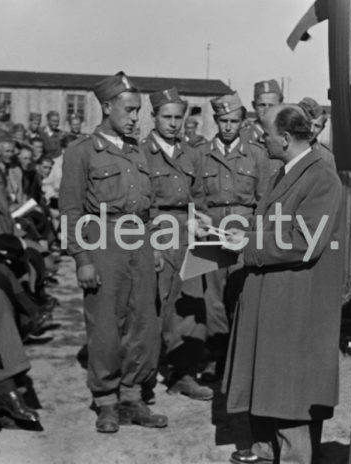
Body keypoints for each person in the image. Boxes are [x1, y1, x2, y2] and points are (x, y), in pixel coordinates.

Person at [216, 104, 343, 464]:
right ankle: (265, 451)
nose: (260, 137)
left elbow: (305, 241)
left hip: (296, 305)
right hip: (276, 299)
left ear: (285, 138)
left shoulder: (321, 177)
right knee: (272, 386)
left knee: (290, 395)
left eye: (265, 132)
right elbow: (276, 227)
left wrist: (248, 246)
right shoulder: (288, 171)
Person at [60, 71, 167, 433]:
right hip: (102, 239)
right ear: (106, 108)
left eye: (138, 111)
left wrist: (156, 246)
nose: (136, 117)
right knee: (105, 327)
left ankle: (133, 395)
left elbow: (149, 208)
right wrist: (82, 258)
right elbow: (71, 210)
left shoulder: (138, 150)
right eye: (129, 110)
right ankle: (106, 400)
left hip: (140, 240)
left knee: (144, 325)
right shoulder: (81, 151)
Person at [193, 92, 270, 382]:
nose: (228, 127)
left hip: (242, 232)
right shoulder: (200, 154)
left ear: (243, 121)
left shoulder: (257, 154)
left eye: (234, 121)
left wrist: (253, 234)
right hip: (211, 231)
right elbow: (195, 197)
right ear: (215, 121)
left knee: (240, 295)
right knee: (212, 299)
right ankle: (217, 356)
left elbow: (263, 201)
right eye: (223, 121)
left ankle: (240, 359)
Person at [140, 88, 211, 400]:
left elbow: (198, 196)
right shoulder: (141, 153)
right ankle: (143, 376)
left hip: (187, 237)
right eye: (165, 117)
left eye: (177, 118)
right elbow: (138, 205)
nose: (172, 123)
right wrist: (149, 243)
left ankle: (181, 373)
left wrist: (198, 220)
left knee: (187, 310)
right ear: (153, 117)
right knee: (151, 308)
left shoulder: (190, 152)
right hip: (155, 235)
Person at [297, 97, 336, 170]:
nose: (311, 130)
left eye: (317, 126)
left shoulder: (326, 157)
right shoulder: (279, 148)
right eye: (308, 123)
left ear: (322, 129)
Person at [240, 79, 283, 144]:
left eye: (271, 105)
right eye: (262, 105)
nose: (266, 110)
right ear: (254, 105)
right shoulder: (242, 136)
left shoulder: (287, 135)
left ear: (280, 105)